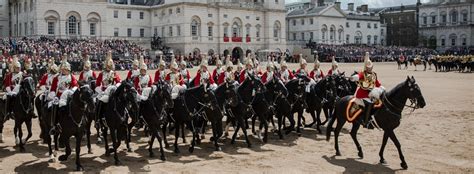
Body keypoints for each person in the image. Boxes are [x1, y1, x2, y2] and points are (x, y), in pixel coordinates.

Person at [350, 52, 385, 129]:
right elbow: (358, 76)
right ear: (366, 67)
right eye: (368, 67)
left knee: (379, 102)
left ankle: (374, 118)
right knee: (369, 103)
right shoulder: (363, 73)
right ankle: (366, 122)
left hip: (371, 93)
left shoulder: (374, 74)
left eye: (370, 67)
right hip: (363, 94)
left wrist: (382, 88)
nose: (370, 68)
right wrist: (354, 77)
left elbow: (377, 83)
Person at [48, 56, 79, 134]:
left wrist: (72, 91)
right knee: (55, 105)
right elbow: (53, 88)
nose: (65, 71)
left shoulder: (71, 77)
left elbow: (75, 85)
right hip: (59, 96)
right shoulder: (57, 77)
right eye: (64, 69)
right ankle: (54, 125)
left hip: (68, 95)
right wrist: (53, 95)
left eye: (67, 70)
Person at [2, 56, 23, 120]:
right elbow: (7, 85)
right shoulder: (9, 75)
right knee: (9, 97)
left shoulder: (22, 74)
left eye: (19, 68)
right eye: (17, 68)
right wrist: (10, 92)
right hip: (11, 91)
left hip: (20, 90)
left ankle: (30, 110)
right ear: (14, 68)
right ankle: (9, 112)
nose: (18, 69)